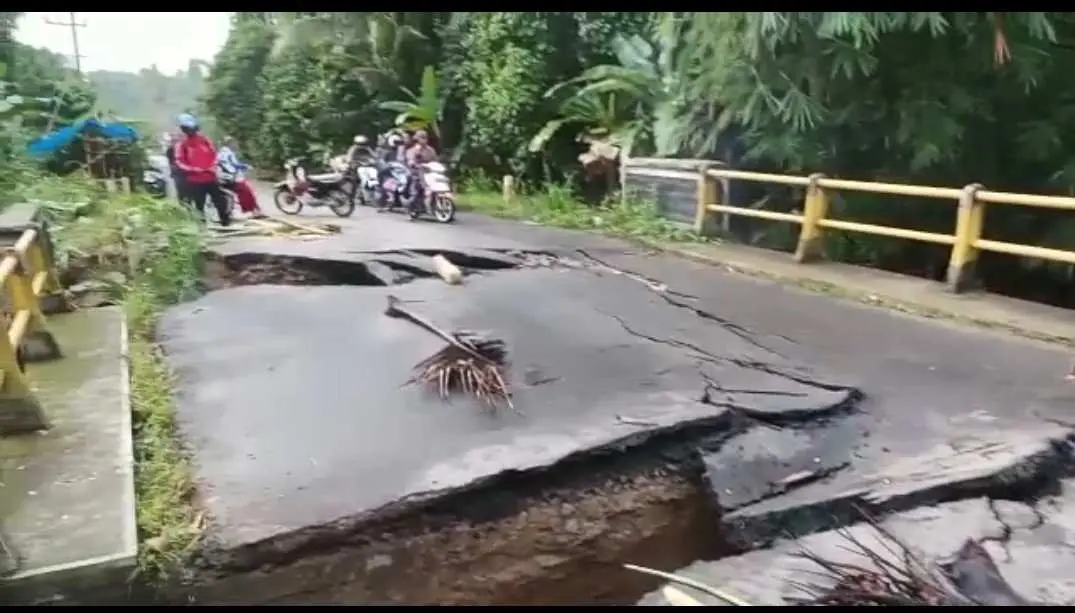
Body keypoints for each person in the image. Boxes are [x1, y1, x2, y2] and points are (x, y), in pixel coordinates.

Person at [173, 113, 231, 226]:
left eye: (193, 129)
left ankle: (225, 222)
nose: (192, 131)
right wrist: (194, 169)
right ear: (184, 130)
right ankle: (201, 226)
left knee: (220, 201)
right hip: (195, 181)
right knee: (199, 205)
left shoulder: (204, 140)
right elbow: (179, 162)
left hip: (210, 177)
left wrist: (214, 165)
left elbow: (214, 155)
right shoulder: (182, 145)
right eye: (188, 129)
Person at [216, 136, 266, 218]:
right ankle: (251, 211)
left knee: (248, 191)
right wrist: (245, 166)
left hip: (226, 177)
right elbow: (233, 165)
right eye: (234, 143)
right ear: (229, 144)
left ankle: (255, 210)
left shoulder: (222, 152)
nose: (236, 145)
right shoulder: (227, 153)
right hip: (231, 178)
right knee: (246, 192)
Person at [164, 133, 188, 202]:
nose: (175, 143)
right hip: (177, 172)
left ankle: (187, 200)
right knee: (180, 188)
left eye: (176, 141)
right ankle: (182, 201)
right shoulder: (170, 150)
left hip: (185, 172)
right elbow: (170, 162)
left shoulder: (184, 149)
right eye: (173, 141)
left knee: (187, 188)